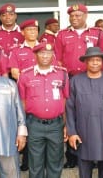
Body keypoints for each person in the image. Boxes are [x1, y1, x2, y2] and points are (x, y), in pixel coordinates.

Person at [55, 3, 103, 168]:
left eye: (78, 15)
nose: (74, 18)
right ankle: (73, 156)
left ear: (86, 16)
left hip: (92, 79)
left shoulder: (97, 33)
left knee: (93, 115)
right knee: (73, 114)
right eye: (72, 16)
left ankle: (95, 156)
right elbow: (57, 58)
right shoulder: (62, 35)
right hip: (71, 79)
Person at [66, 47, 103, 178]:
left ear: (102, 62)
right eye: (91, 60)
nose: (95, 63)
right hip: (83, 132)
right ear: (85, 62)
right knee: (84, 169)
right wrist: (72, 132)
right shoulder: (75, 81)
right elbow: (69, 108)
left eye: (98, 60)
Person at [17, 42, 69, 178]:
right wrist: (22, 126)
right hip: (34, 124)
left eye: (49, 53)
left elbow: (65, 100)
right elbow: (21, 102)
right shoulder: (25, 75)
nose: (45, 56)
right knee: (35, 162)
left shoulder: (62, 74)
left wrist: (65, 124)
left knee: (55, 161)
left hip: (56, 125)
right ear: (35, 55)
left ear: (53, 55)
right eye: (42, 53)